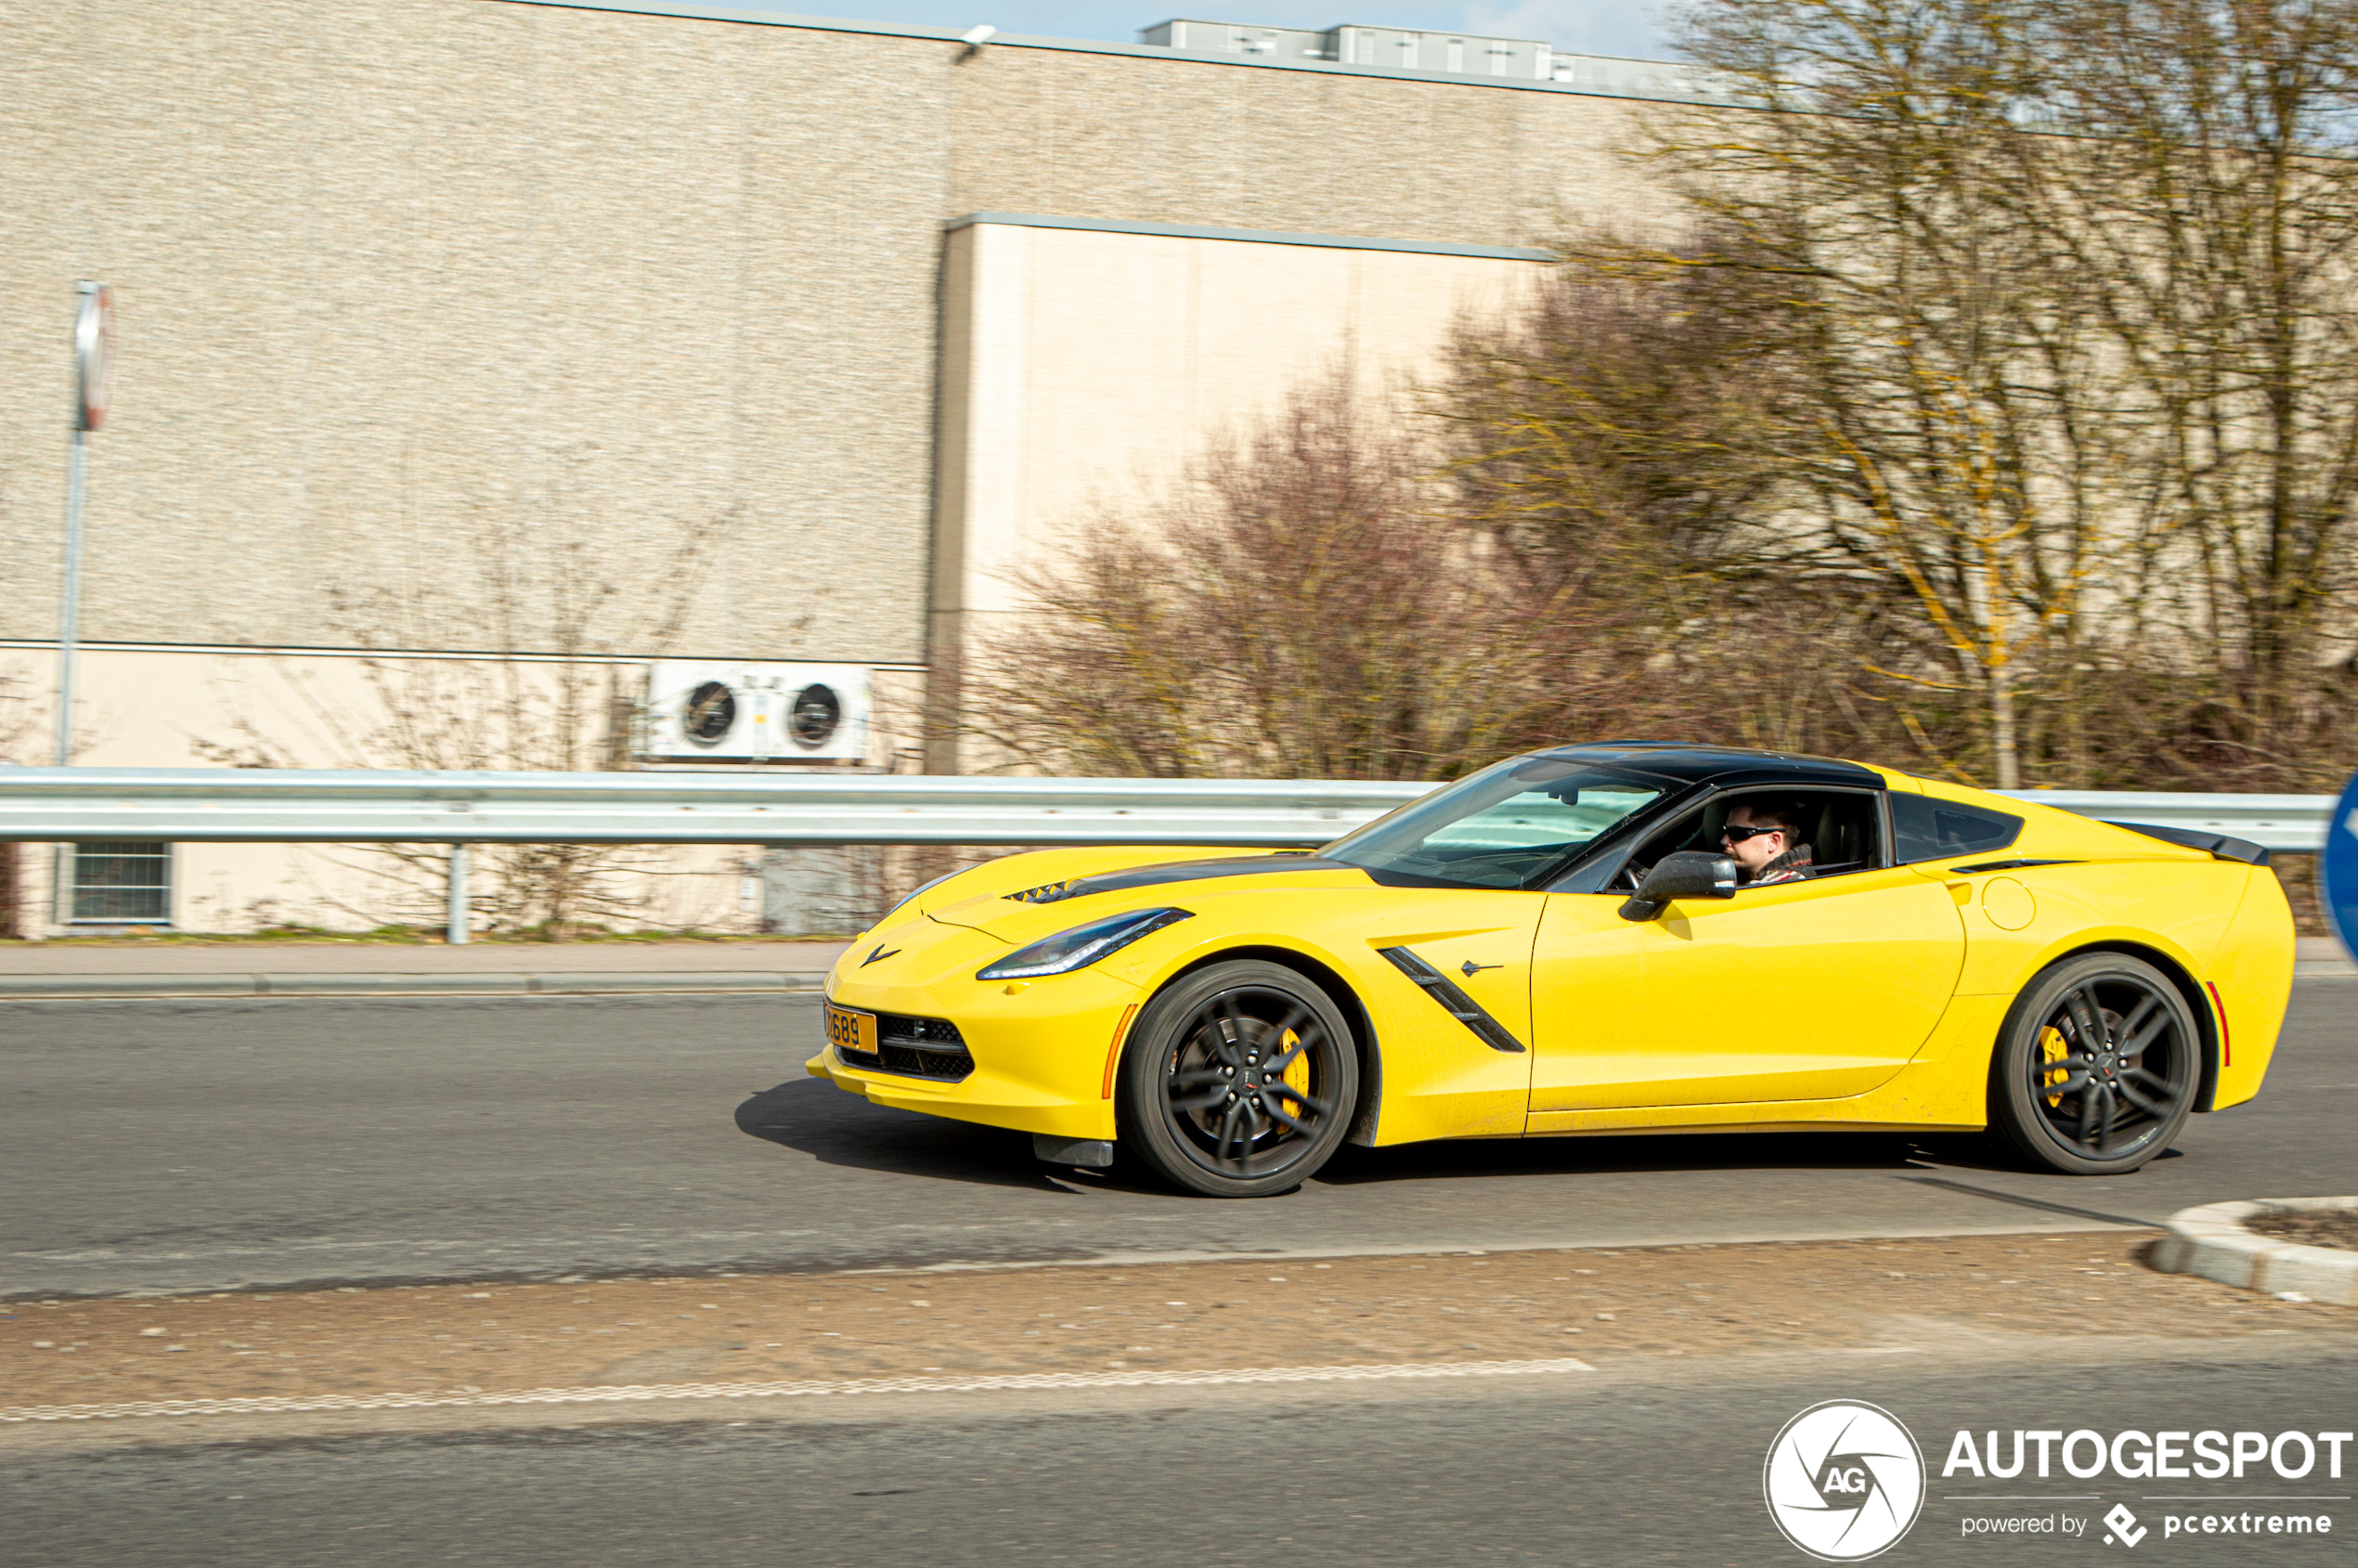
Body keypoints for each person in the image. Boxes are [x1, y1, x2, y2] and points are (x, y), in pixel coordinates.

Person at [1721, 799, 1814, 885]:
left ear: (1773, 841)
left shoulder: (1786, 887)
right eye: (1725, 830)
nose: (1724, 841)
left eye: (1736, 833)